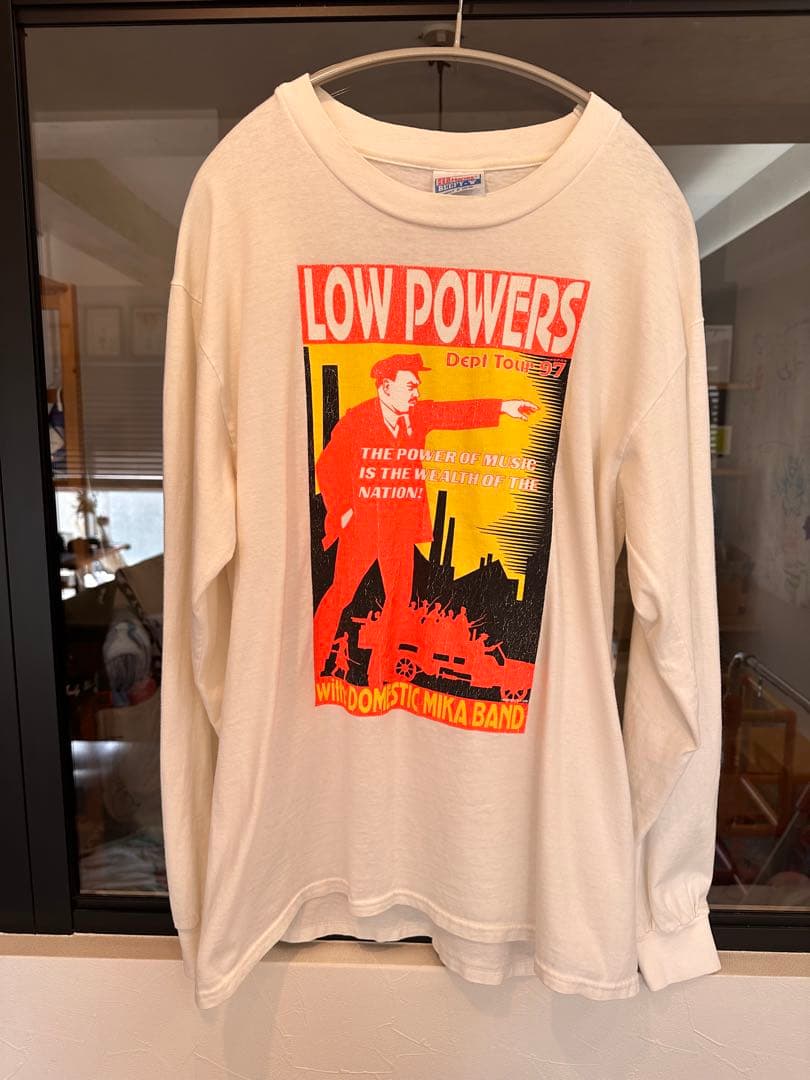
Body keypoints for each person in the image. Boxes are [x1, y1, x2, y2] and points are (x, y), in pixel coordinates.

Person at [313, 352, 537, 683]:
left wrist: (503, 407)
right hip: (363, 526)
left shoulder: (417, 416)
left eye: (417, 386)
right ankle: (314, 662)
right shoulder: (357, 420)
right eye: (410, 386)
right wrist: (344, 509)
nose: (416, 393)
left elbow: (454, 413)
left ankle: (380, 678)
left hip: (400, 529)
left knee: (398, 604)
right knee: (341, 593)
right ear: (385, 387)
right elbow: (328, 465)